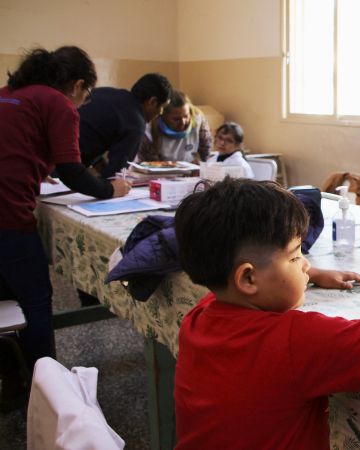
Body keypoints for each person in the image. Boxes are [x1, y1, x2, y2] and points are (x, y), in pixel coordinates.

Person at [172, 178, 360, 449]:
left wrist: (312, 275)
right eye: (295, 257)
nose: (306, 264)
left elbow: (241, 279)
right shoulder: (296, 339)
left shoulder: (199, 315)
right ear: (249, 279)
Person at [0, 46, 132, 409]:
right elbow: (71, 170)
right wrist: (111, 188)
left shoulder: (7, 95)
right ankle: (50, 397)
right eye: (84, 98)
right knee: (36, 301)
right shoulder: (56, 102)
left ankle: (12, 381)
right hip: (8, 216)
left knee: (6, 300)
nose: (79, 106)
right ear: (77, 85)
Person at [78, 72, 173, 178]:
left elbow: (92, 132)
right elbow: (115, 174)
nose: (161, 112)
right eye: (163, 107)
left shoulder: (109, 94)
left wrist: (99, 164)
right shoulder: (135, 123)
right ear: (153, 102)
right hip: (65, 164)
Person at [137, 90, 212, 163]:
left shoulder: (198, 119)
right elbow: (151, 167)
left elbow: (205, 155)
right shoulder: (149, 130)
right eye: (176, 119)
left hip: (190, 171)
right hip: (161, 173)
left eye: (186, 116)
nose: (183, 122)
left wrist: (199, 165)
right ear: (163, 117)